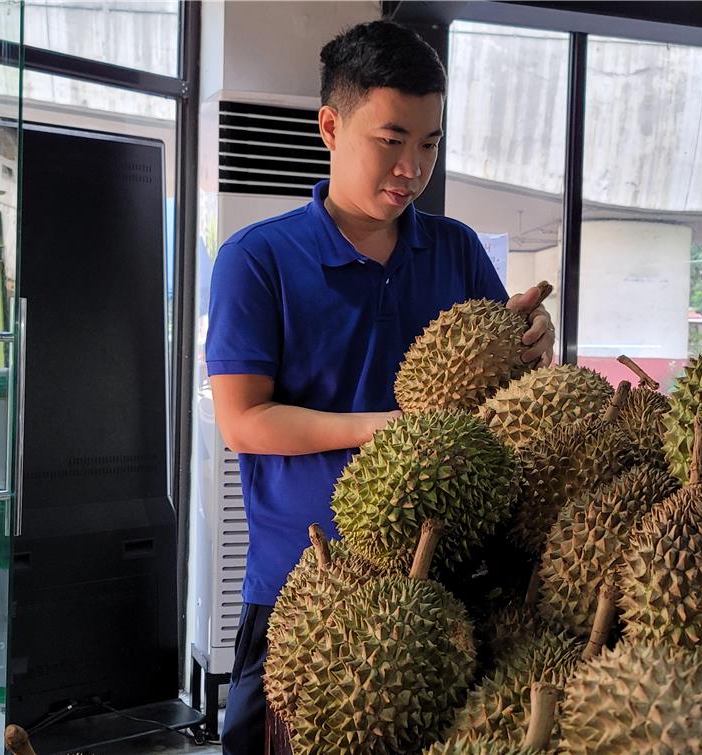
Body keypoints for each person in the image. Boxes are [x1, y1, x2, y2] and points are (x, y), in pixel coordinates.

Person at [206, 19, 556, 754]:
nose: (411, 168)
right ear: (331, 127)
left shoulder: (455, 249)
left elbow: (500, 395)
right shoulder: (257, 260)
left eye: (429, 144)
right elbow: (244, 420)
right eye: (391, 140)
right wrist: (388, 426)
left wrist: (533, 346)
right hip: (308, 590)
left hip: (442, 589)